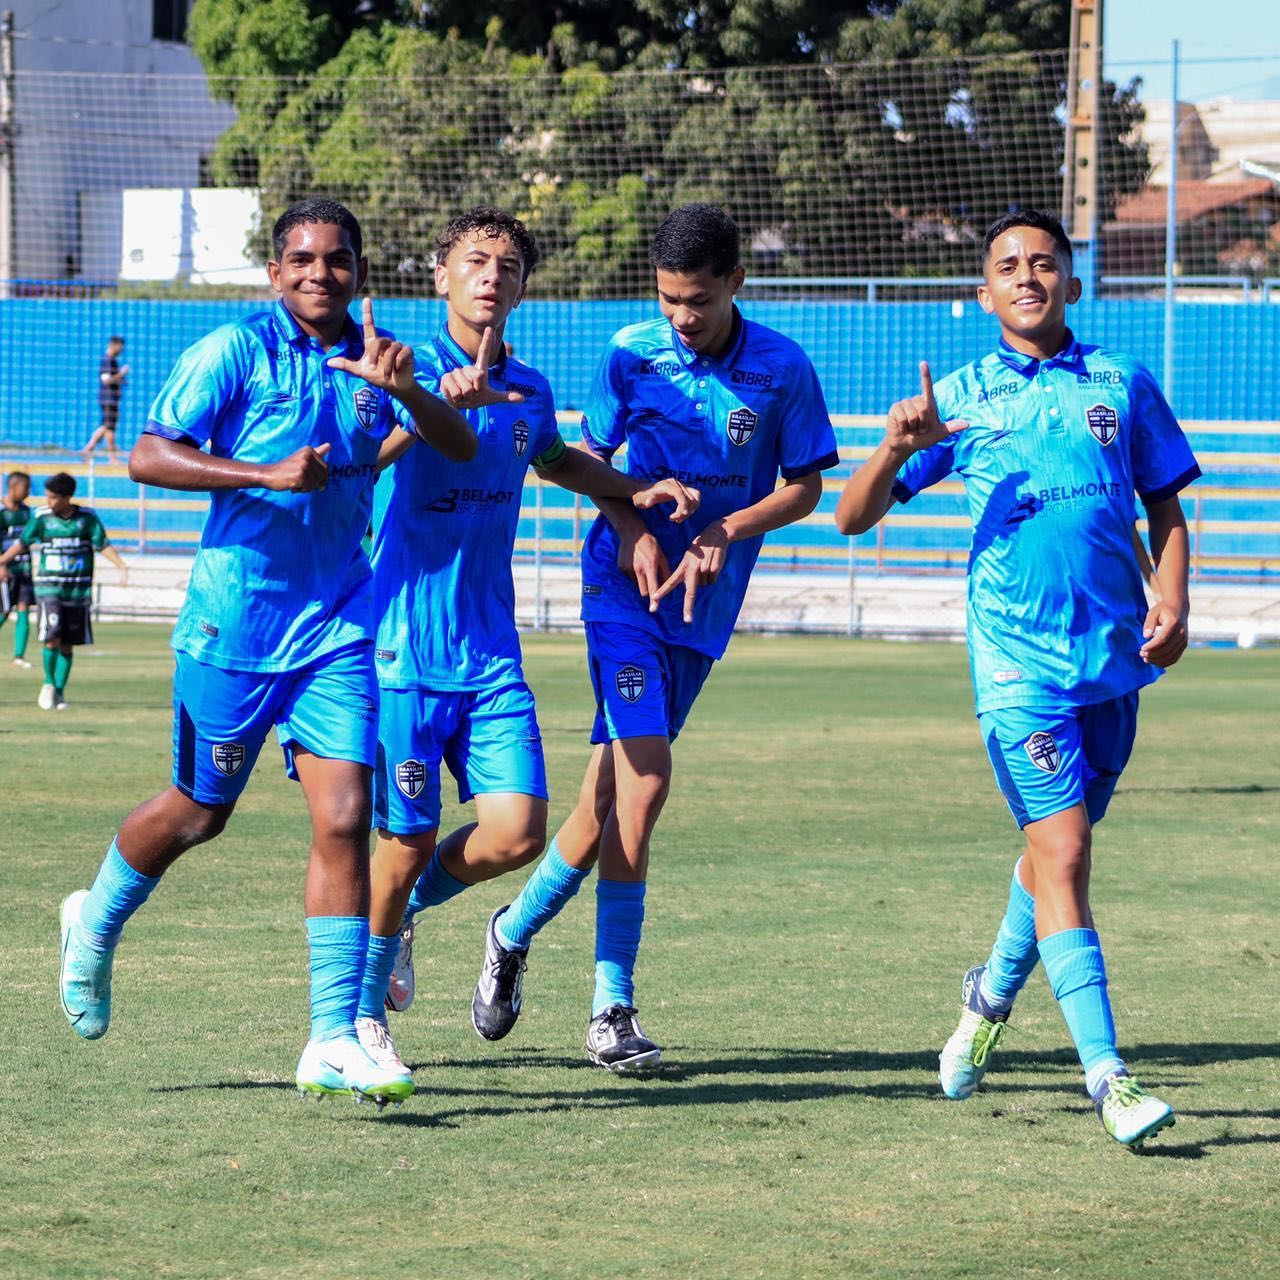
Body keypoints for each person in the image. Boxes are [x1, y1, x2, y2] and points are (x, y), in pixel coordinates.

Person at [53, 197, 476, 1109]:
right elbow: (149, 455)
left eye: (337, 259)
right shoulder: (233, 352)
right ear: (275, 271)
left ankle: (331, 1037)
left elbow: (457, 439)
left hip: (340, 625)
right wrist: (263, 472)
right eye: (302, 259)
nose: (320, 273)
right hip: (234, 626)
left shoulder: (386, 355)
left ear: (360, 268)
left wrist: (407, 390)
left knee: (345, 812)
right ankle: (92, 921)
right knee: (200, 813)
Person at [833, 210, 1199, 1149]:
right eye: (1008, 266)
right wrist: (893, 448)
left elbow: (1166, 509)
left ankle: (988, 996)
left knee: (1050, 860)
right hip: (1016, 670)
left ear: (1071, 283)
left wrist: (1174, 600)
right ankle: (1108, 1078)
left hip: (1113, 665)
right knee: (1068, 856)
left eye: (1044, 263)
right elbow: (849, 518)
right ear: (985, 294)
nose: (1028, 276)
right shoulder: (956, 398)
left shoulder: (1122, 381)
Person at [461, 203, 838, 1071]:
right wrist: (628, 522)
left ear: (736, 283)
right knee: (650, 781)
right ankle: (612, 1009)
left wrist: (728, 529)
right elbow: (587, 464)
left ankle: (510, 932)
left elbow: (808, 487)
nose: (681, 315)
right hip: (621, 590)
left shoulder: (784, 369)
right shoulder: (630, 352)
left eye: (698, 300)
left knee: (605, 808)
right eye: (669, 298)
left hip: (703, 607)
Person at [352, 207, 699, 1076]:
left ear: (522, 287)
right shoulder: (398, 367)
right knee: (401, 839)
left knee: (514, 831)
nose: (490, 276)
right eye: (474, 260)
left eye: (507, 265)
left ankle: (402, 920)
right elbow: (362, 464)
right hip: (401, 645)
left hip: (490, 650)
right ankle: (364, 1022)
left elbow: (557, 460)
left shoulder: (531, 389)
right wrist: (423, 402)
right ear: (441, 276)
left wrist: (637, 488)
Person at [0, 472, 127, 709]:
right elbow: (22, 543)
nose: (49, 502)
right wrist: (2, 561)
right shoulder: (41, 517)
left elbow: (103, 544)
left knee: (68, 644)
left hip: (78, 591)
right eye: (47, 497)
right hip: (50, 588)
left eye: (53, 498)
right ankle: (48, 683)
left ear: (67, 497)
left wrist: (121, 565)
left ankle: (59, 691)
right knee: (51, 638)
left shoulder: (87, 518)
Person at [0, 469, 35, 668]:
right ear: (13, 487)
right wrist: (1, 565)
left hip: (24, 568)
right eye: (25, 487)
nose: (28, 492)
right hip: (6, 568)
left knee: (24, 608)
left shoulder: (26, 511)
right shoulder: (1, 512)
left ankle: (18, 656)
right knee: (4, 610)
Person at [83, 336, 129, 462]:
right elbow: (106, 380)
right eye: (121, 348)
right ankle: (112, 456)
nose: (121, 351)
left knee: (106, 426)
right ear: (114, 345)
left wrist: (121, 380)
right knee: (110, 427)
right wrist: (122, 374)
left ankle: (89, 448)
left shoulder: (112, 360)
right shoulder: (107, 359)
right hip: (108, 399)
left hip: (111, 399)